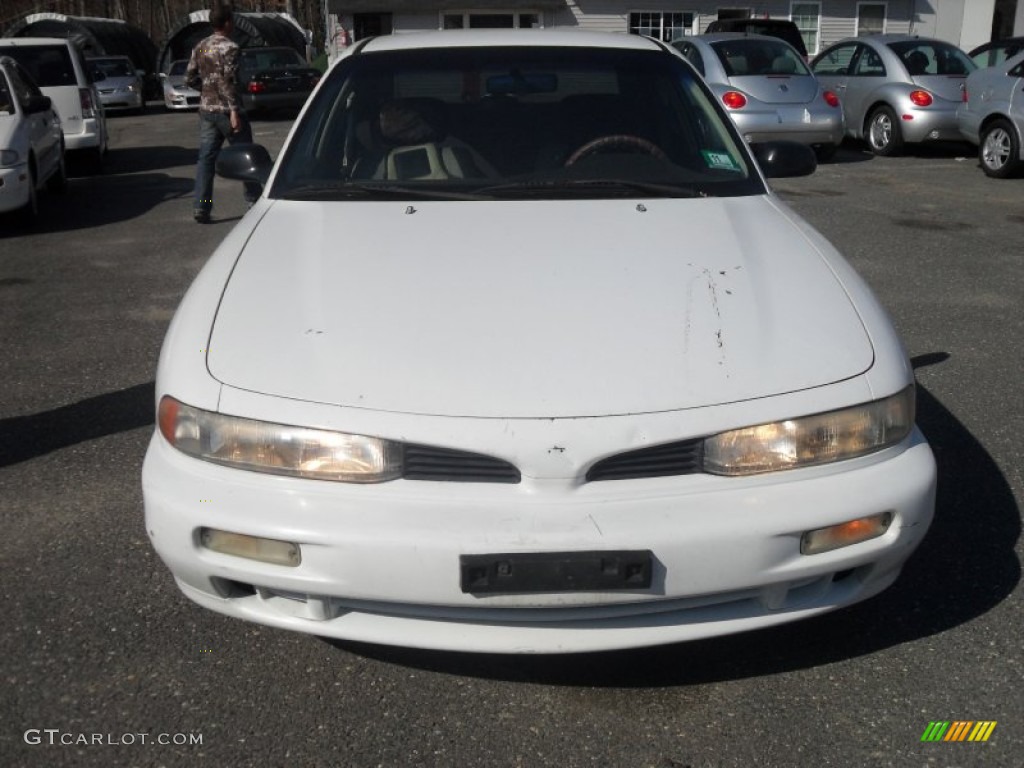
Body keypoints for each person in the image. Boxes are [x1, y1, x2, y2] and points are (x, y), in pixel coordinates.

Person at [185, 5, 261, 223]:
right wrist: (234, 110)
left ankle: (202, 206)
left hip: (207, 111)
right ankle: (253, 201)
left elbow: (189, 77)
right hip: (228, 112)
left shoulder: (201, 46)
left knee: (206, 161)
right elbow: (229, 81)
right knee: (247, 157)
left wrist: (207, 92)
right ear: (227, 23)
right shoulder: (231, 48)